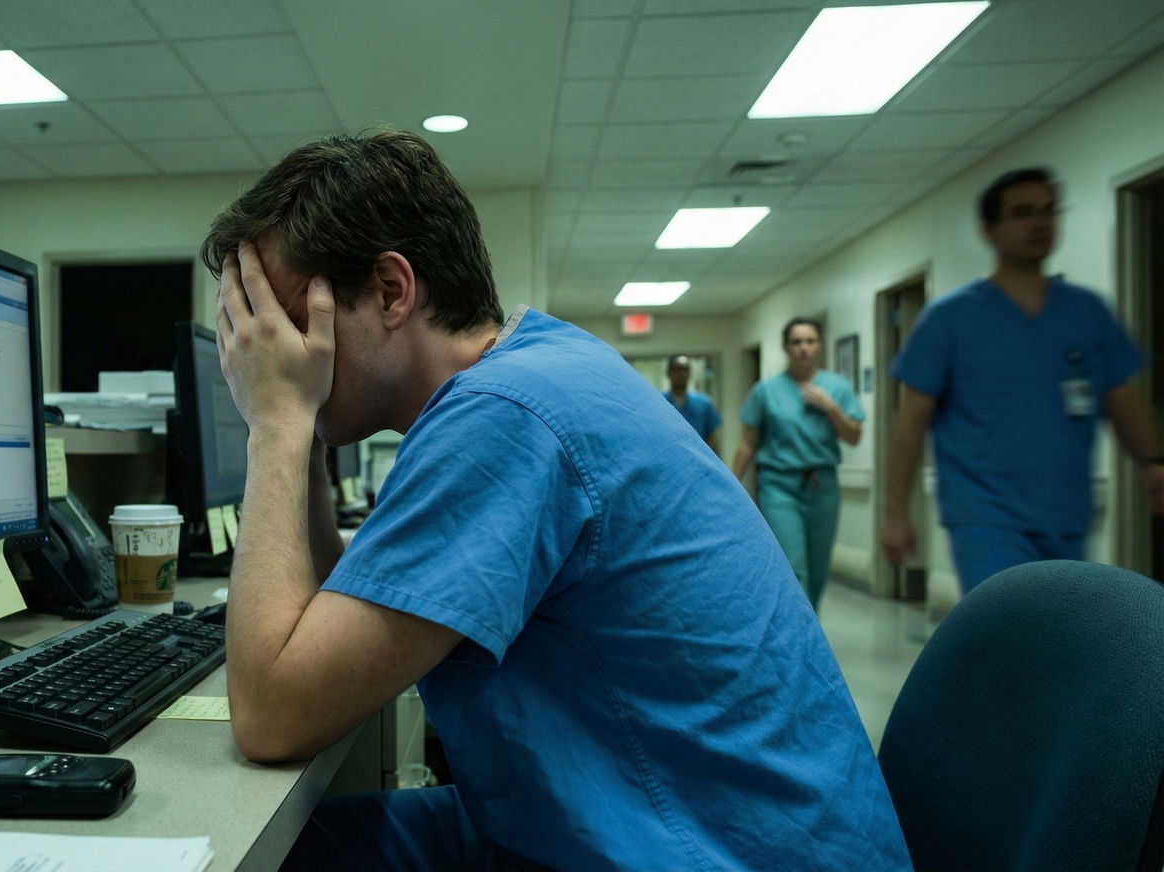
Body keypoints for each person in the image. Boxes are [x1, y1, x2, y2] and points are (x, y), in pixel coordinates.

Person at [203, 129, 908, 871]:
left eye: (284, 321)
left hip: (709, 848)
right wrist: (301, 429)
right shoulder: (539, 366)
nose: (271, 353)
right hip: (672, 815)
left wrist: (276, 422)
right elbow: (321, 625)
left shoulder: (504, 418)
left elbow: (273, 714)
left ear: (390, 290)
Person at [882, 167, 1164, 594]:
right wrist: (896, 512)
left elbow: (1120, 395)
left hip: (1065, 510)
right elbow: (911, 420)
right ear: (989, 231)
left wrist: (1152, 463)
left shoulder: (1086, 312)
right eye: (1022, 213)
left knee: (1062, 635)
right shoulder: (951, 319)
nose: (1039, 223)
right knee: (1011, 632)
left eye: (1049, 211)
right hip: (985, 515)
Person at [730, 319, 865, 612]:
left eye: (810, 341)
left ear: (819, 346)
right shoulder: (766, 390)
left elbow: (854, 436)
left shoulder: (837, 388)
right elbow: (748, 442)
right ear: (786, 347)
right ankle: (796, 641)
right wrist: (732, 484)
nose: (803, 348)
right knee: (794, 567)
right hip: (779, 486)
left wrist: (831, 408)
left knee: (817, 569)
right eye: (796, 342)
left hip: (823, 486)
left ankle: (809, 629)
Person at [662, 353, 722, 454]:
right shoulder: (661, 402)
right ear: (668, 373)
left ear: (689, 373)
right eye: (676, 370)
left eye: (684, 370)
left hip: (697, 458)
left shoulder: (703, 403)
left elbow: (712, 439)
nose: (681, 374)